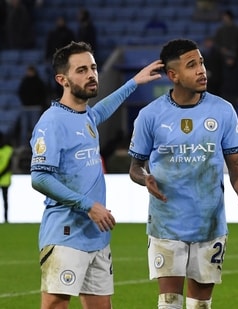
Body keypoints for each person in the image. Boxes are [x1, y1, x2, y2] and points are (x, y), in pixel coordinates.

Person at [29, 41, 163, 309]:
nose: (91, 74)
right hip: (66, 233)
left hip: (96, 236)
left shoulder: (85, 116)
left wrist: (133, 82)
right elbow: (39, 178)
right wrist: (88, 206)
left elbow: (100, 110)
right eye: (81, 70)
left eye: (93, 67)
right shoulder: (52, 122)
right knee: (56, 303)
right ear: (62, 79)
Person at [128, 38, 238, 309]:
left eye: (202, 62)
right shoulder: (151, 115)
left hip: (209, 223)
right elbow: (135, 167)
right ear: (173, 75)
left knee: (200, 305)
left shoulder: (223, 111)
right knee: (169, 303)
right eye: (191, 65)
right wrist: (144, 177)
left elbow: (236, 167)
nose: (201, 70)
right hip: (166, 223)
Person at [17, 64, 48, 147]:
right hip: (25, 107)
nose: (29, 73)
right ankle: (23, 146)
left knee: (35, 128)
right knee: (24, 128)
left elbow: (43, 94)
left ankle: (36, 145)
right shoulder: (24, 81)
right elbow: (20, 92)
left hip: (35, 108)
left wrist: (39, 103)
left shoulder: (39, 82)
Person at [0, 132, 13, 223]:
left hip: (4, 179)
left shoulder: (9, 150)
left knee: (5, 200)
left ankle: (6, 218)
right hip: (4, 178)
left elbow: (9, 165)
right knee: (5, 200)